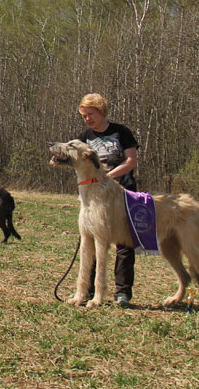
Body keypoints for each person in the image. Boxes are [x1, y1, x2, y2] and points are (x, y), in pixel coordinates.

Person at [76, 92, 140, 307]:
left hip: (123, 194)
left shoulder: (121, 132)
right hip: (94, 198)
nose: (88, 119)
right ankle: (86, 291)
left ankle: (122, 293)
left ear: (101, 111)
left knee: (124, 243)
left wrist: (106, 177)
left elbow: (131, 161)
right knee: (90, 242)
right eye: (84, 115)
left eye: (91, 114)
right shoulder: (85, 136)